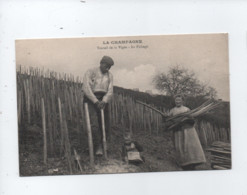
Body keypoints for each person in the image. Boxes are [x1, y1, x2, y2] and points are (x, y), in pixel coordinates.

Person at [83, 56, 114, 156]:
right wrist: (96, 101)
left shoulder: (110, 75)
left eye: (109, 67)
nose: (108, 69)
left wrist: (104, 101)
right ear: (101, 63)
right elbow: (86, 88)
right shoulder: (90, 72)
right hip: (91, 99)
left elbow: (110, 90)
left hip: (103, 99)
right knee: (94, 124)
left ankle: (104, 144)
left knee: (105, 123)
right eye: (106, 66)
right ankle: (96, 146)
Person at [169, 94, 206, 170]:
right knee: (180, 147)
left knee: (189, 146)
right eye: (176, 100)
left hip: (187, 131)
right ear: (174, 101)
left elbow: (192, 120)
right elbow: (169, 120)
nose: (178, 101)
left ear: (182, 101)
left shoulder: (186, 109)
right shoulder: (172, 110)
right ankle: (183, 163)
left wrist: (186, 120)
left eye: (179, 100)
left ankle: (193, 162)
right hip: (178, 131)